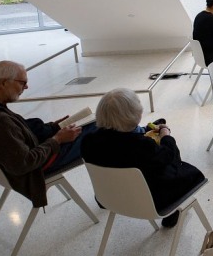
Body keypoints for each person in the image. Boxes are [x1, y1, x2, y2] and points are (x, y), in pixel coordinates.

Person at [0, 61, 92, 208]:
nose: (26, 87)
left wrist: (53, 128)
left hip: (13, 163)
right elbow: (24, 163)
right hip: (33, 171)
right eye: (22, 82)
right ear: (3, 83)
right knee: (100, 128)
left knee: (89, 126)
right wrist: (57, 139)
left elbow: (14, 134)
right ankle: (107, 196)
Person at [81, 88, 205, 228]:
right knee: (184, 168)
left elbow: (118, 143)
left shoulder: (88, 141)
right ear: (135, 116)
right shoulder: (142, 146)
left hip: (110, 198)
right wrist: (166, 135)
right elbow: (169, 156)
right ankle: (173, 210)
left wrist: (145, 130)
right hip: (151, 201)